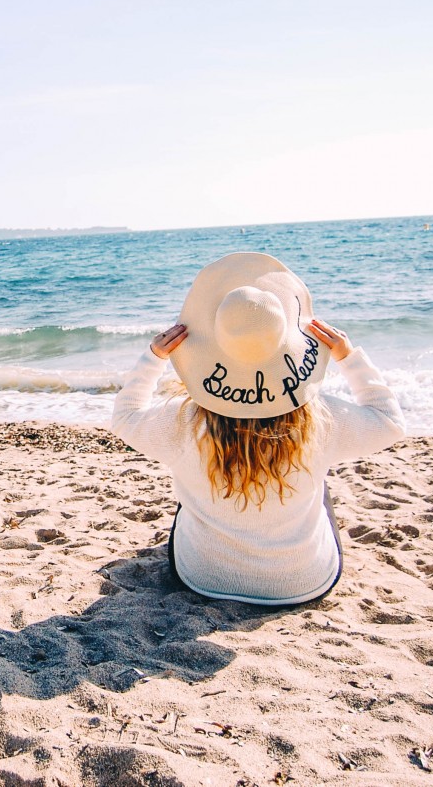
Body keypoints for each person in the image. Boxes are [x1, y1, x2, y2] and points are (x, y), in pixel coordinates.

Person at [111, 252, 404, 606]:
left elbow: (125, 418)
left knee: (188, 493)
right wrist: (348, 356)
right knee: (319, 488)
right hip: (303, 581)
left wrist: (154, 357)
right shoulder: (321, 420)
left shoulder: (182, 422)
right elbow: (389, 421)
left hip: (202, 577)